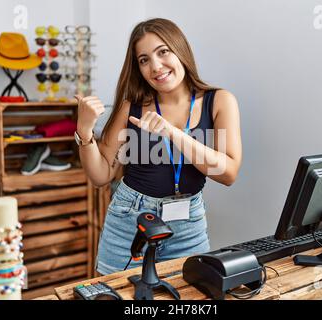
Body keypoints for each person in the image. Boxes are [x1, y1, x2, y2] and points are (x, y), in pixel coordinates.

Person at [75, 18, 242, 275]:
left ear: (180, 50)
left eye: (163, 52)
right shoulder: (131, 106)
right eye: (143, 60)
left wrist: (174, 133)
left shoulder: (219, 101)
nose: (155, 66)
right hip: (129, 223)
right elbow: (101, 175)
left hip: (189, 227)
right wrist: (84, 130)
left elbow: (228, 174)